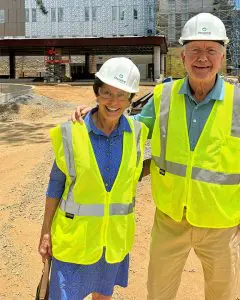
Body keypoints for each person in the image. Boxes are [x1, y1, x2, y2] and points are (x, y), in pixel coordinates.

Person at [72, 13, 240, 300]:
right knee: (159, 293)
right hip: (170, 220)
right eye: (195, 50)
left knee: (221, 295)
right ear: (183, 55)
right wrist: (97, 110)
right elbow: (128, 130)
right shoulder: (164, 96)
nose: (203, 58)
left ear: (223, 55)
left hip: (221, 226)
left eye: (211, 50)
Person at [38, 57, 149, 300]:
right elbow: (56, 184)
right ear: (96, 93)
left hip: (111, 242)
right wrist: (46, 231)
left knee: (103, 296)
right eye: (106, 93)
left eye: (122, 95)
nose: (113, 101)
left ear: (131, 99)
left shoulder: (138, 132)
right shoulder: (72, 132)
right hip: (74, 242)